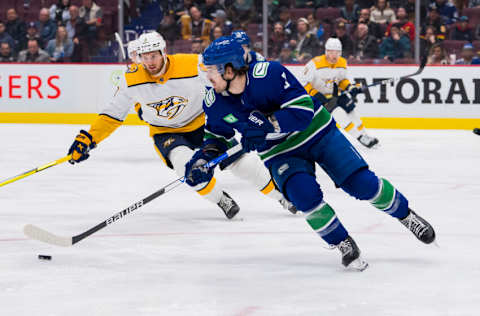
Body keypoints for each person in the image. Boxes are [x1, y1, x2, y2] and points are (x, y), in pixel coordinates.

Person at [185, 36, 436, 270]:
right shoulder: (214, 102)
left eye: (211, 70)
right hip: (279, 152)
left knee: (362, 185)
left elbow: (303, 109)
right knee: (303, 196)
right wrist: (203, 159)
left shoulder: (269, 74)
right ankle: (342, 242)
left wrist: (268, 124)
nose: (207, 77)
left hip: (318, 132)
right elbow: (217, 136)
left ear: (229, 70)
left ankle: (406, 215)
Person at [67, 32, 296, 221]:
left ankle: (282, 197)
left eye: (154, 56)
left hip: (202, 125)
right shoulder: (131, 79)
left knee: (243, 164)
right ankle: (221, 200)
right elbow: (113, 114)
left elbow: (226, 81)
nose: (149, 62)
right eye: (145, 57)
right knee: (186, 169)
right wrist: (88, 138)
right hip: (166, 133)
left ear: (163, 52)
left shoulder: (192, 64)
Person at [302, 38, 379, 148]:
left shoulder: (342, 62)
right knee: (337, 112)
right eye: (331, 52)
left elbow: (342, 80)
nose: (334, 55)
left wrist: (350, 87)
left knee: (351, 109)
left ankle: (365, 135)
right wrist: (315, 94)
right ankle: (359, 137)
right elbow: (304, 82)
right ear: (326, 51)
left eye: (337, 52)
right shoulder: (315, 63)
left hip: (334, 94)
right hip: (317, 97)